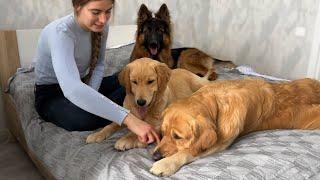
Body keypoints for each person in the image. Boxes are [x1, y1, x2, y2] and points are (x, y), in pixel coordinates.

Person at [34, 0, 159, 144]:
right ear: (77, 7)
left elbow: (99, 65)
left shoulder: (100, 27)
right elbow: (72, 88)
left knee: (129, 82)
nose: (103, 19)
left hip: (84, 82)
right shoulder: (61, 33)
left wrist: (92, 93)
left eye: (108, 11)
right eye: (96, 12)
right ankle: (121, 105)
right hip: (52, 94)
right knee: (83, 119)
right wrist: (130, 120)